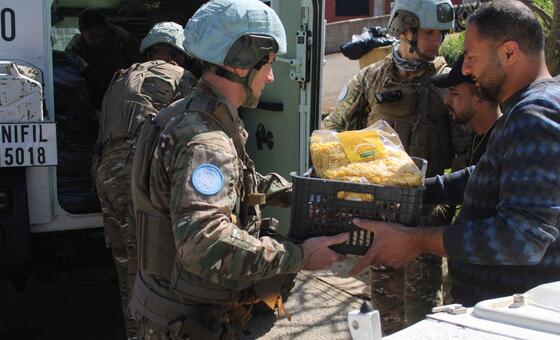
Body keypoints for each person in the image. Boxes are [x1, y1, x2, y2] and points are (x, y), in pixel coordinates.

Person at [128, 1, 348, 339]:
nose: (272, 77)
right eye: (269, 64)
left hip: (172, 311)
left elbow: (235, 186)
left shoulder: (191, 113)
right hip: (188, 321)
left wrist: (300, 191)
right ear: (243, 64)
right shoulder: (206, 141)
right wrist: (300, 256)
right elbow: (205, 244)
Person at [351, 0, 560, 307]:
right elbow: (493, 175)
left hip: (505, 314)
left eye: (472, 57)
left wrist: (418, 240)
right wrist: (418, 191)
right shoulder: (534, 106)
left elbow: (522, 239)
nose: (465, 68)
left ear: (509, 53)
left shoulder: (533, 115)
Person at [324, 0, 473, 330]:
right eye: (430, 32)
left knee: (423, 316)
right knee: (384, 311)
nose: (437, 41)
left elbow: (466, 155)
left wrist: (443, 212)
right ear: (405, 30)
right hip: (381, 219)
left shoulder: (447, 83)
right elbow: (331, 132)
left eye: (441, 33)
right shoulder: (371, 79)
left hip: (425, 221)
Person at [94, 22, 197, 339]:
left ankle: (134, 333)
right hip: (137, 170)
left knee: (127, 264)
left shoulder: (120, 77)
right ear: (178, 54)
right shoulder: (180, 77)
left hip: (105, 174)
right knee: (150, 270)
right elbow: (195, 127)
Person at [431, 55, 502, 165]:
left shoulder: (504, 146)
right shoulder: (481, 138)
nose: (446, 100)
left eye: (454, 93)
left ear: (479, 97)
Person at [66, 8, 140, 108]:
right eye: (92, 38)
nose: (98, 41)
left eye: (101, 36)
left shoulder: (122, 38)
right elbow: (70, 76)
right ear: (82, 34)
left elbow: (138, 67)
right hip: (90, 94)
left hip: (123, 90)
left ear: (107, 29)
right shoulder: (76, 47)